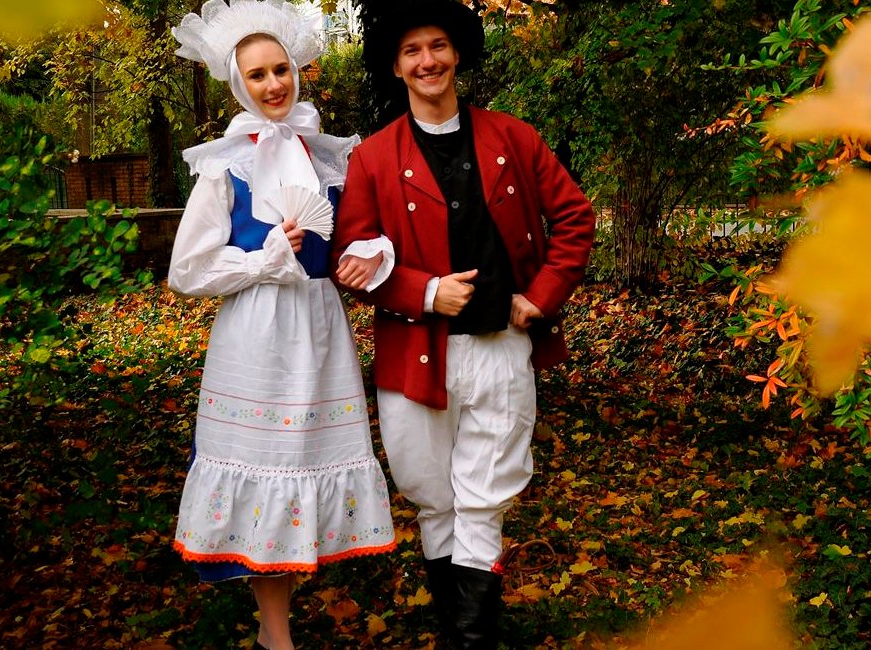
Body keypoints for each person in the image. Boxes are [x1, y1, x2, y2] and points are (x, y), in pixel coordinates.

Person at [332, 1, 596, 647]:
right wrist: (424, 292)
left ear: (458, 53)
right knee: (432, 494)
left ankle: (470, 638)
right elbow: (352, 260)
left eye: (439, 45)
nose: (428, 61)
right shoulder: (371, 158)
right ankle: (460, 623)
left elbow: (576, 219)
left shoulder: (514, 137)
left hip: (500, 350)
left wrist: (540, 296)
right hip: (414, 356)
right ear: (395, 66)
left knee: (484, 496)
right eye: (412, 51)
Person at [168, 2, 396, 649]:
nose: (274, 84)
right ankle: (276, 633)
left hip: (319, 334)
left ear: (297, 72)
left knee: (302, 467)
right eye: (259, 75)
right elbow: (186, 270)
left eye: (281, 71)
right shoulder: (224, 165)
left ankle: (279, 625)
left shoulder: (327, 157)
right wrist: (263, 260)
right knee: (265, 465)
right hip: (255, 335)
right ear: (241, 84)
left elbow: (358, 234)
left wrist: (369, 254)